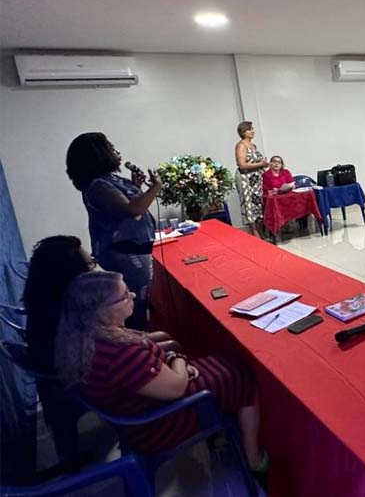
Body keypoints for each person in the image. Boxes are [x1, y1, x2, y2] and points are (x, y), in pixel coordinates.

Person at [54, 271, 268, 474]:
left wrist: (174, 365)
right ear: (102, 310)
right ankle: (253, 458)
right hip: (156, 425)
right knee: (241, 376)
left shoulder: (84, 337)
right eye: (125, 295)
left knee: (216, 362)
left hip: (138, 407)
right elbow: (176, 387)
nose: (134, 296)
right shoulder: (120, 353)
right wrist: (178, 361)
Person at [23, 236, 180, 464]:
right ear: (71, 273)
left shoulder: (47, 302)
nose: (95, 268)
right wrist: (166, 354)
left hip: (88, 372)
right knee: (170, 345)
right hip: (89, 380)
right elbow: (117, 345)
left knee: (163, 340)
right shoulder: (72, 316)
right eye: (90, 264)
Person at [66, 132, 159, 331]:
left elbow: (132, 207)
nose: (116, 151)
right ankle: (140, 348)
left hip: (135, 249)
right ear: (99, 155)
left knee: (143, 301)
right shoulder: (98, 186)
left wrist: (136, 187)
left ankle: (146, 343)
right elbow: (131, 210)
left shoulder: (110, 179)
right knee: (135, 305)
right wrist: (155, 188)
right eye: (110, 147)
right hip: (125, 254)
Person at [235, 121, 270, 238]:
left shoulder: (253, 146)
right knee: (249, 205)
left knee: (257, 204)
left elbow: (257, 163)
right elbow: (242, 165)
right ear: (243, 132)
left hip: (256, 180)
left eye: (252, 129)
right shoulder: (241, 146)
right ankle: (255, 232)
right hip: (246, 179)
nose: (252, 131)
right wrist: (260, 164)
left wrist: (263, 165)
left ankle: (261, 230)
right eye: (250, 129)